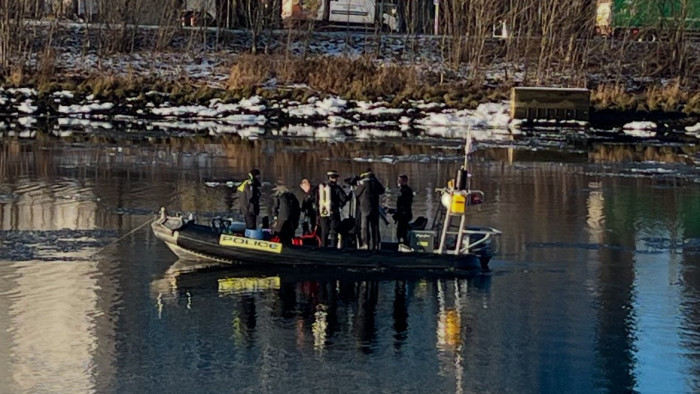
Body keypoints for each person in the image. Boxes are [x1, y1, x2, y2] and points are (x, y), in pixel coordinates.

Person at [354, 168, 385, 250]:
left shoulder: (363, 182)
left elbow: (356, 193)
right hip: (374, 208)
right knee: (375, 227)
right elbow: (382, 190)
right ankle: (376, 244)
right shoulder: (375, 181)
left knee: (364, 227)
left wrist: (356, 186)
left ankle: (366, 243)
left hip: (365, 208)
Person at [318, 170, 347, 248]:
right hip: (334, 212)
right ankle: (333, 250)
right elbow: (344, 199)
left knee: (324, 232)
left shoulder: (322, 188)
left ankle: (323, 248)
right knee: (334, 232)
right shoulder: (337, 188)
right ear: (336, 178)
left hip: (323, 212)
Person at [393, 174, 413, 245]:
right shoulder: (402, 190)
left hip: (404, 214)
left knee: (402, 231)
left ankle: (403, 244)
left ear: (404, 181)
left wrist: (398, 212)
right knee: (400, 231)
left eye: (400, 181)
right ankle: (401, 243)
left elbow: (404, 204)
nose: (398, 182)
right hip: (402, 214)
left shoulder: (406, 191)